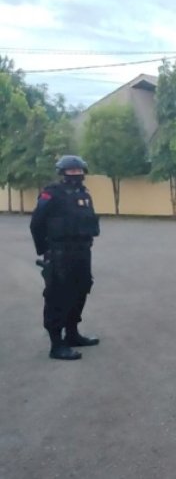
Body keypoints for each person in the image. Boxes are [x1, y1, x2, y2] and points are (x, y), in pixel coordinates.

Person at [30, 155, 100, 361]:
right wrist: (45, 250)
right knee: (58, 295)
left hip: (82, 251)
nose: (76, 174)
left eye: (79, 171)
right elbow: (36, 223)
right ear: (62, 173)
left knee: (81, 290)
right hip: (59, 252)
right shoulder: (51, 194)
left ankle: (72, 334)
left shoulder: (84, 194)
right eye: (71, 171)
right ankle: (56, 344)